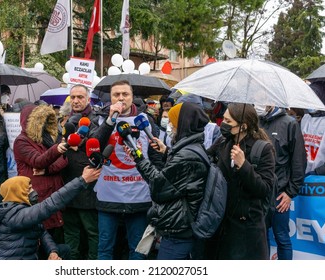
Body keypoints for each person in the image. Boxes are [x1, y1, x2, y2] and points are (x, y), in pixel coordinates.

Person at [89, 80, 163, 260]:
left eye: (125, 94)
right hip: (108, 195)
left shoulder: (146, 120)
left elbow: (156, 156)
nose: (121, 98)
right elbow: (94, 146)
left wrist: (155, 183)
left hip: (139, 196)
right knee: (105, 247)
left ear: (132, 97)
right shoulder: (100, 119)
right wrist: (109, 120)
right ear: (111, 98)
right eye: (116, 94)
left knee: (137, 249)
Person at [130, 102, 210, 260]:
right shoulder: (190, 148)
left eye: (173, 121)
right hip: (182, 226)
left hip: (179, 230)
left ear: (183, 124)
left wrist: (139, 159)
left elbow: (159, 185)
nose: (170, 125)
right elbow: (180, 177)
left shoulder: (187, 155)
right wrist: (167, 152)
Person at [205, 103, 276, 260]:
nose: (223, 124)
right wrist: (166, 151)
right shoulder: (223, 142)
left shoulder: (263, 149)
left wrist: (243, 165)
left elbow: (264, 188)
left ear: (243, 126)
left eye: (228, 121)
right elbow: (202, 161)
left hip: (246, 230)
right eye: (223, 119)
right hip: (221, 223)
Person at [0, 167, 101, 260]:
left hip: (28, 256)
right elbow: (51, 203)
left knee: (64, 250)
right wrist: (82, 180)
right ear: (18, 193)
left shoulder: (24, 209)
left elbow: (41, 232)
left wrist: (52, 251)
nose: (33, 192)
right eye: (28, 189)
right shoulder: (14, 215)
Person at [13, 104, 68, 246]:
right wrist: (57, 150)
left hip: (54, 193)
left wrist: (50, 168)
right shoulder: (22, 141)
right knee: (42, 239)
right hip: (38, 197)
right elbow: (39, 161)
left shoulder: (48, 138)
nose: (42, 123)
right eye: (39, 119)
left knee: (57, 240)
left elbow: (64, 161)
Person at [258, 105, 306, 260]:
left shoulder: (289, 123)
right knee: (260, 235)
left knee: (281, 236)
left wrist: (290, 192)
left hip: (280, 194)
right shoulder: (256, 122)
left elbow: (299, 161)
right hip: (259, 190)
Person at [60, 84, 99, 260]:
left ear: (88, 99)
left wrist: (80, 144)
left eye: (80, 97)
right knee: (70, 233)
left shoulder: (95, 120)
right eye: (73, 97)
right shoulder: (65, 120)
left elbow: (97, 145)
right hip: (67, 186)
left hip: (88, 188)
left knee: (92, 232)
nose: (76, 100)